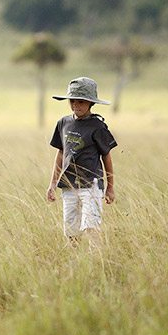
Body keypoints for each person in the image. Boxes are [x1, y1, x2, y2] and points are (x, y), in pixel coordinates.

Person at [45, 77, 117, 246]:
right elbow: (61, 153)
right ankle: (75, 259)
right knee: (70, 228)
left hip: (91, 185)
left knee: (91, 226)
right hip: (68, 184)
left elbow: (106, 156)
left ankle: (96, 259)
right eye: (72, 101)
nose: (76, 105)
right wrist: (53, 183)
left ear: (91, 103)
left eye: (81, 102)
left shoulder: (98, 126)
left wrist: (110, 187)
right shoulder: (64, 123)